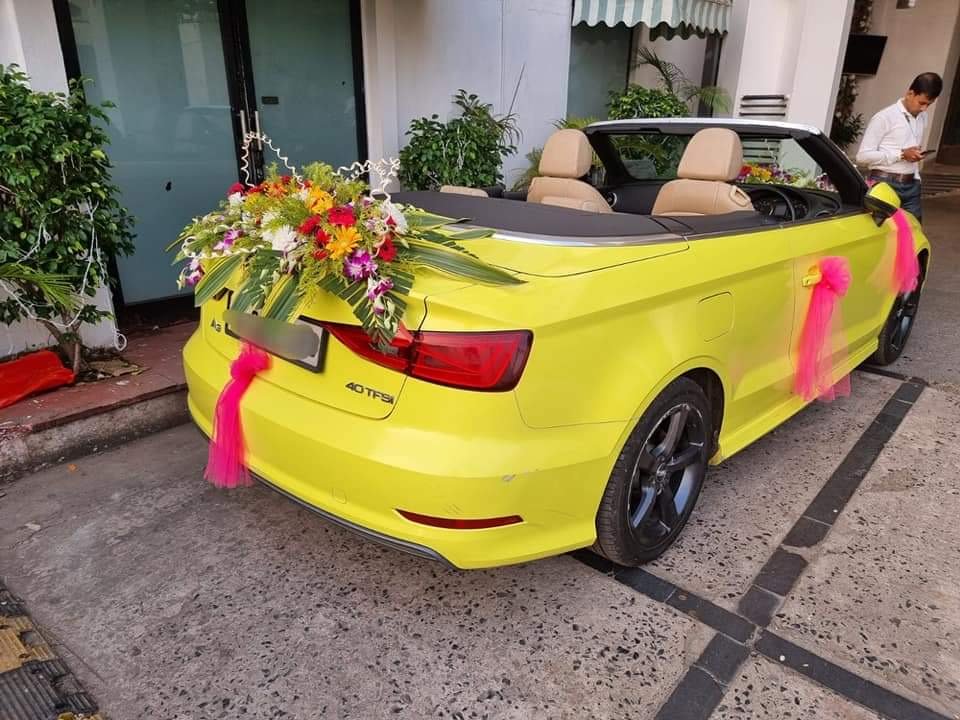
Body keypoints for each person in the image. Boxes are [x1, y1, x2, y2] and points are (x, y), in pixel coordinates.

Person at [856, 72, 943, 221]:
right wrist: (901, 155)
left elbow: (913, 149)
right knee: (884, 232)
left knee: (914, 232)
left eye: (929, 104)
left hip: (912, 186)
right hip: (884, 184)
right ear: (910, 93)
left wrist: (917, 178)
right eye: (922, 103)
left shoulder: (923, 117)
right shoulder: (884, 117)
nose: (924, 109)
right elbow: (862, 157)